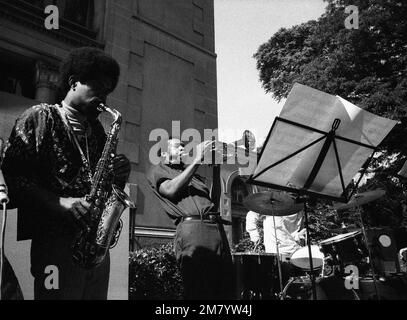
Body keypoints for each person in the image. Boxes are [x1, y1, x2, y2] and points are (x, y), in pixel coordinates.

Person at [1, 47, 131, 300]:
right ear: (73, 82)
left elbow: (103, 186)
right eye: (98, 88)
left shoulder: (97, 131)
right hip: (55, 244)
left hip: (93, 246)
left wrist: (118, 174)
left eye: (107, 91)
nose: (104, 98)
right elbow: (13, 175)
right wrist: (58, 202)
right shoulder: (40, 117)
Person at [148, 138, 234, 300]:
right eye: (177, 147)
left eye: (183, 146)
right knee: (199, 288)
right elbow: (170, 190)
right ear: (165, 153)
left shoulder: (193, 175)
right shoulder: (159, 170)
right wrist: (197, 160)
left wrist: (216, 169)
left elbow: (213, 202)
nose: (182, 149)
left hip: (215, 228)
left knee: (223, 286)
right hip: (193, 230)